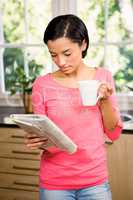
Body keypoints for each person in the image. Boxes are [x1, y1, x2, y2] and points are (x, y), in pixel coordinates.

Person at [25, 14, 123, 200]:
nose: (61, 62)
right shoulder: (42, 85)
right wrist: (36, 139)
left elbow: (113, 134)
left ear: (83, 44)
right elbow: (45, 136)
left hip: (95, 181)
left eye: (67, 53)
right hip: (55, 183)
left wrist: (104, 100)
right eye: (53, 55)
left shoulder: (103, 77)